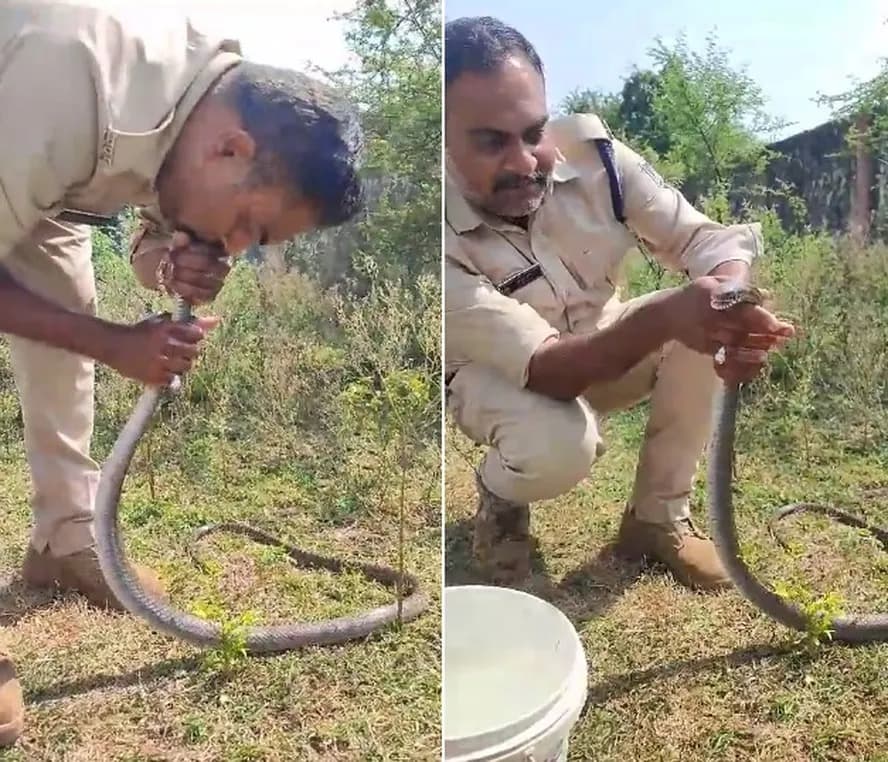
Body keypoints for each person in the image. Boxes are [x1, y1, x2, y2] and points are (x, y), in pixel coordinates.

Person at [0, 1, 364, 746]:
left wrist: (175, 261)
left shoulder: (203, 112)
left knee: (63, 327)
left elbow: (148, 244)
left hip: (45, 190)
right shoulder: (64, 79)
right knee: (75, 328)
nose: (239, 247)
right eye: (249, 227)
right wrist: (110, 342)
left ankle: (66, 542)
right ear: (232, 150)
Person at [444, 17, 794, 592]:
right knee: (558, 446)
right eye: (490, 141)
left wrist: (730, 302)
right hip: (502, 378)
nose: (525, 162)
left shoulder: (598, 161)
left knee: (699, 327)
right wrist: (670, 314)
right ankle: (501, 501)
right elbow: (548, 369)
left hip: (605, 340)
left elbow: (704, 240)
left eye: (533, 132)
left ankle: (656, 520)